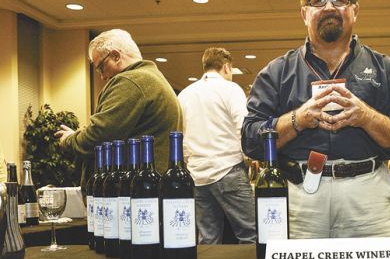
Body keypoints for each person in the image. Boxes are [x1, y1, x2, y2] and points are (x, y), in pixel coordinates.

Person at [242, 0, 390, 239]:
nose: (329, 7)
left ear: (355, 10)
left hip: (368, 197)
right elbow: (250, 141)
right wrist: (297, 119)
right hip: (301, 198)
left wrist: (367, 117)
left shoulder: (387, 70)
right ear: (304, 12)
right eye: (318, 0)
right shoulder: (276, 73)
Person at [55, 29, 181, 185]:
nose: (102, 77)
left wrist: (69, 139)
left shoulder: (131, 81)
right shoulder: (152, 78)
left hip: (133, 193)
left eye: (101, 67)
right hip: (149, 188)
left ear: (115, 56)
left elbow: (100, 136)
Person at [177, 48, 256, 244]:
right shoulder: (230, 89)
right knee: (250, 235)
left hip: (197, 175)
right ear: (227, 67)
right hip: (228, 169)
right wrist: (250, 157)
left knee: (207, 240)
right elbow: (243, 127)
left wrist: (191, 162)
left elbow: (181, 137)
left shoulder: (185, 95)